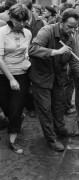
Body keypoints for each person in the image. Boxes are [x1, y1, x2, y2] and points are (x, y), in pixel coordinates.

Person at [28, 8, 79, 152]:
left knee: (59, 105)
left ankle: (60, 129)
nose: (72, 30)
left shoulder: (70, 38)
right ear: (61, 21)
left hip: (58, 76)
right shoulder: (46, 31)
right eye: (69, 26)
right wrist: (56, 52)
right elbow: (32, 49)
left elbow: (74, 61)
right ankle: (51, 138)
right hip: (41, 77)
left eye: (75, 27)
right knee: (45, 109)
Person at [0, 4, 32, 154]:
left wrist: (27, 59)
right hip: (3, 75)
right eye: (19, 21)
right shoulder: (1, 33)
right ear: (11, 18)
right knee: (6, 107)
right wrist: (11, 79)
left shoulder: (28, 33)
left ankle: (13, 141)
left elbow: (27, 51)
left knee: (15, 108)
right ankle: (17, 118)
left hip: (22, 75)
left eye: (24, 21)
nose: (22, 24)